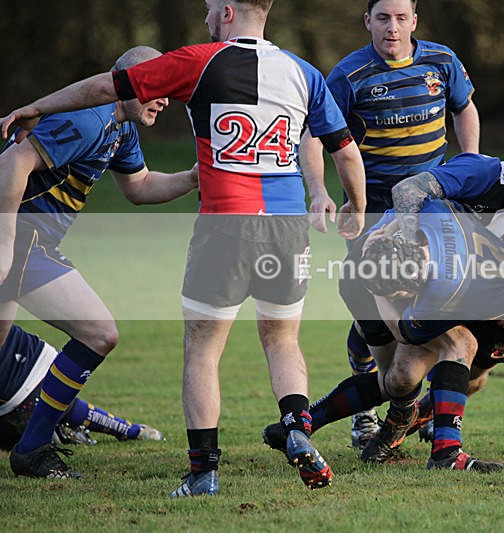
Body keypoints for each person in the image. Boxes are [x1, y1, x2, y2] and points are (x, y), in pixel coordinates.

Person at [0, 0, 367, 495]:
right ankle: (298, 428)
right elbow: (343, 148)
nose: (206, 19)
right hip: (286, 227)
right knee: (282, 340)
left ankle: (202, 472)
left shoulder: (199, 60)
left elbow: (122, 128)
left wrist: (40, 104)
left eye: (211, 9)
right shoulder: (302, 72)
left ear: (229, 12)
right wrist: (354, 206)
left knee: (200, 349)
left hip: (223, 227)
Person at [263, 124, 504, 469]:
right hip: (372, 272)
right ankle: (443, 452)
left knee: (405, 378)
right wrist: (406, 242)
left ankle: (299, 427)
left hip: (410, 285)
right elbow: (408, 189)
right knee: (447, 352)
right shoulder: (483, 171)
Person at [0, 45, 198, 481]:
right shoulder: (90, 117)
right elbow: (14, 162)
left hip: (29, 244)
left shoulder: (119, 128)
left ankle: (35, 444)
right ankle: (31, 450)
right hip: (24, 240)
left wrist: (193, 176)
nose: (164, 98)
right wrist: (6, 240)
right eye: (155, 87)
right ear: (125, 82)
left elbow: (140, 187)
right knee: (99, 332)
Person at [265, 197, 504, 471]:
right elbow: (419, 194)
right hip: (446, 289)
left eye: (399, 293)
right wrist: (389, 231)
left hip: (500, 316)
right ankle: (441, 448)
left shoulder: (441, 285)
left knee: (458, 375)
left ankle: (413, 425)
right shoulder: (430, 223)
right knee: (404, 376)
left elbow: (405, 331)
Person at [302, 0, 481, 448]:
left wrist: (469, 166)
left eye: (402, 18)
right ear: (367, 22)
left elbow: (465, 108)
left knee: (432, 298)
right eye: (383, 18)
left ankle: (416, 405)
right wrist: (321, 192)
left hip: (432, 209)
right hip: (372, 209)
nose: (393, 28)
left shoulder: (441, 61)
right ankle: (368, 410)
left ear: (415, 21)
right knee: (371, 305)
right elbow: (312, 136)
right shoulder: (348, 75)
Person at [0, 325, 164, 452]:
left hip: (31, 373)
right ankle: (129, 429)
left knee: (56, 404)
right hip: (35, 374)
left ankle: (127, 429)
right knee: (58, 405)